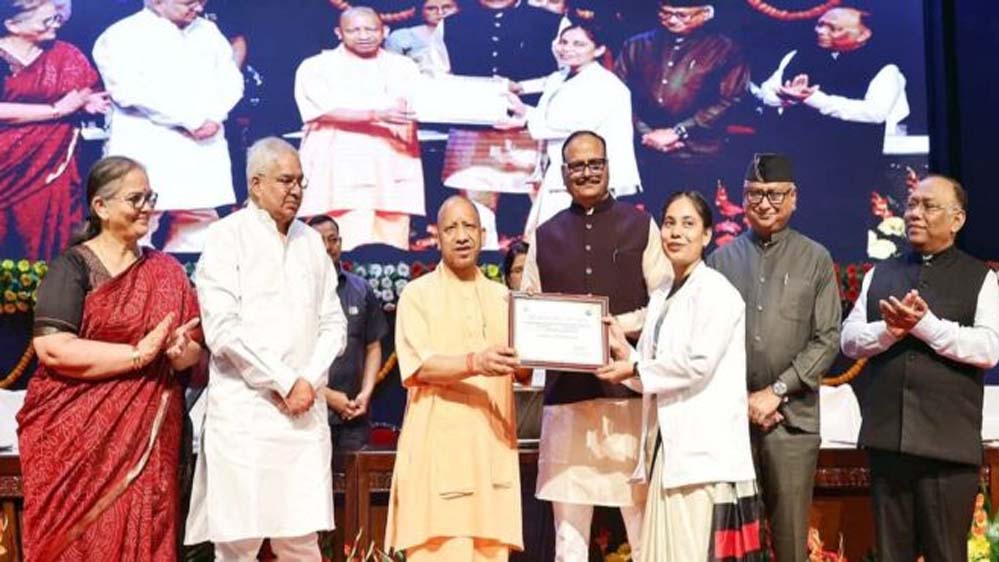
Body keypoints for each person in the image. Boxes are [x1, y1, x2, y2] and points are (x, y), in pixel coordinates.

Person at [17, 156, 202, 561]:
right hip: (75, 445)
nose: (147, 207)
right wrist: (137, 355)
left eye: (150, 197)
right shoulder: (73, 266)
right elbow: (53, 347)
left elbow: (194, 351)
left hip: (149, 446)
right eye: (135, 199)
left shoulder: (167, 271)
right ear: (100, 206)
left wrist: (179, 352)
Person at [185, 138, 347, 561]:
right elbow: (222, 329)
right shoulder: (225, 237)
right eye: (285, 181)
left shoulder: (311, 241)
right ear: (256, 185)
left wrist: (307, 381)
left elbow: (334, 323)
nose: (295, 190)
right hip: (246, 414)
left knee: (301, 541)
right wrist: (284, 381)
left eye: (300, 182)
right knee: (238, 544)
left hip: (303, 414)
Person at [520, 130, 670, 561]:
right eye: (577, 166)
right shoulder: (545, 235)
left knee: (640, 527)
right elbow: (529, 307)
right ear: (563, 172)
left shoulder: (640, 225)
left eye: (595, 164)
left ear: (608, 167)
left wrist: (615, 327)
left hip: (628, 398)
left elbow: (664, 303)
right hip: (566, 402)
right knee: (568, 537)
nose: (586, 172)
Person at [596, 191, 762, 562]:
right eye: (669, 223)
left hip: (703, 458)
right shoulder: (661, 294)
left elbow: (697, 363)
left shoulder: (717, 292)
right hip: (667, 452)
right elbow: (654, 372)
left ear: (707, 235)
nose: (675, 232)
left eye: (688, 224)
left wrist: (635, 367)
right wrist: (624, 353)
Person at [841, 175, 999, 562]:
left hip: (948, 450)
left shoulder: (980, 278)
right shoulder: (880, 273)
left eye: (929, 206)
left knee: (946, 554)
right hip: (888, 445)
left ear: (957, 219)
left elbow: (988, 348)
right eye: (912, 204)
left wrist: (926, 326)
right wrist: (889, 331)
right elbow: (849, 340)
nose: (915, 213)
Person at [706, 153, 841, 562]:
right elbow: (707, 343)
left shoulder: (815, 258)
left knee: (790, 543)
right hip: (731, 424)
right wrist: (742, 401)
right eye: (755, 194)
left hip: (792, 423)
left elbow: (827, 338)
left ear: (793, 197)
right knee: (733, 544)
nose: (764, 203)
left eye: (774, 194)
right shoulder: (720, 261)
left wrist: (776, 392)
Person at [386, 195, 527, 561]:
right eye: (451, 228)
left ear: (483, 235)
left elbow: (524, 369)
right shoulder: (417, 295)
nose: (462, 236)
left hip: (492, 457)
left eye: (469, 227)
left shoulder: (504, 299)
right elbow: (420, 367)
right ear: (437, 238)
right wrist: (476, 361)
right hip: (438, 460)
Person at [756, 6, 910, 255]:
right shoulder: (798, 55)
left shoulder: (884, 67)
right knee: (798, 227)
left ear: (863, 34)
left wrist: (815, 99)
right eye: (820, 24)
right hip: (799, 160)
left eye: (833, 28)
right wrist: (785, 96)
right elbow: (767, 91)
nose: (821, 31)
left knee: (842, 229)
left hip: (848, 165)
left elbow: (875, 112)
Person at [93, 0, 244, 253]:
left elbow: (231, 81)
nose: (198, 8)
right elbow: (128, 92)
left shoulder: (208, 32)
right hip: (150, 143)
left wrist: (215, 116)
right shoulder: (120, 35)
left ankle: (188, 276)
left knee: (200, 225)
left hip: (203, 144)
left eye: (202, 1)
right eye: (189, 2)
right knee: (136, 222)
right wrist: (190, 120)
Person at [294, 7, 425, 251]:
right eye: (354, 30)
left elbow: (416, 105)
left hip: (390, 168)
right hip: (338, 171)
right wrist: (377, 114)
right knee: (342, 244)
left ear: (385, 31)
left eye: (371, 29)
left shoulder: (404, 67)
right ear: (338, 32)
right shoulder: (316, 67)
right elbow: (323, 109)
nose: (363, 36)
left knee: (393, 246)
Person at [437, 0, 562, 249]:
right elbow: (437, 73)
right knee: (475, 205)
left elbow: (564, 74)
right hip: (471, 129)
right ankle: (482, 263)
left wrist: (522, 88)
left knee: (544, 201)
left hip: (529, 125)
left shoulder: (551, 22)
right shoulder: (451, 23)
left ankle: (543, 265)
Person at [0, 0, 109, 260]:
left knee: (49, 233)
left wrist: (87, 103)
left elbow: (86, 92)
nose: (56, 25)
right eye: (46, 21)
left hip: (52, 164)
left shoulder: (67, 55)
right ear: (13, 25)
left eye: (57, 18)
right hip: (6, 162)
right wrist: (56, 110)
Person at [614, 0, 749, 195]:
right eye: (665, 13)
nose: (672, 20)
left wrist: (680, 131)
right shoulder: (637, 45)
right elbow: (617, 95)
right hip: (645, 147)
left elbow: (731, 100)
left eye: (681, 15)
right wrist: (645, 132)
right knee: (652, 209)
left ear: (705, 14)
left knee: (696, 208)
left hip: (698, 151)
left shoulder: (725, 49)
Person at [523, 22, 641, 238]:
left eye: (579, 44)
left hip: (586, 174)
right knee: (547, 238)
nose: (567, 49)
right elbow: (545, 93)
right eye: (564, 42)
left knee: (572, 239)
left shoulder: (605, 85)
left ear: (599, 49)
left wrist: (524, 113)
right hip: (560, 171)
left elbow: (569, 126)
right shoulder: (563, 76)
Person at [307, 214, 389, 452]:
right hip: (308, 412)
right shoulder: (295, 292)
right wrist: (327, 396)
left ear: (340, 243)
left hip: (353, 417)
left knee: (356, 476)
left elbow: (373, 346)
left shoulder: (360, 289)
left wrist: (366, 392)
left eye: (332, 239)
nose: (327, 247)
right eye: (319, 241)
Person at [384, 0, 456, 75]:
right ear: (421, 11)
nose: (440, 13)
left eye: (447, 7)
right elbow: (392, 71)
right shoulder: (400, 37)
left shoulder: (462, 38)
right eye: (431, 8)